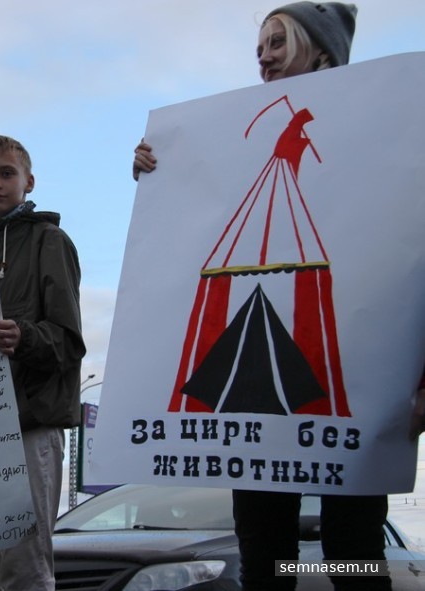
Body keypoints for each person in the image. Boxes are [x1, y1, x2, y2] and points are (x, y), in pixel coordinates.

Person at [132, 4, 412, 590]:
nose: (263, 56)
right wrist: (161, 170)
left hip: (362, 374)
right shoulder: (235, 133)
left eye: (277, 42)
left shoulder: (386, 128)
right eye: (259, 46)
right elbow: (197, 212)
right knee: (265, 552)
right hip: (260, 398)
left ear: (320, 49)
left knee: (354, 552)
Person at [0, 135, 86, 591]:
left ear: (29, 182)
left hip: (28, 426)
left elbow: (69, 342)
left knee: (23, 572)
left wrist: (24, 336)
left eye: (6, 173)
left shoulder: (50, 241)